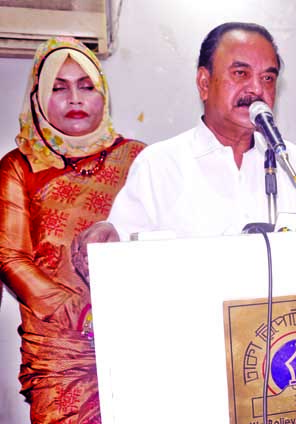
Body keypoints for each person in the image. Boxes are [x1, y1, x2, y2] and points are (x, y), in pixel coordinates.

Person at [71, 23, 296, 280]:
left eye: (268, 78)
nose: (256, 89)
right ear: (203, 82)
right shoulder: (161, 164)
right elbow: (120, 250)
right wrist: (108, 237)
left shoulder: (292, 161)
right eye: (240, 74)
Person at [0, 37, 145, 423]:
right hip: (60, 354)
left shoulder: (140, 160)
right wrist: (74, 311)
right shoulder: (20, 167)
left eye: (86, 85)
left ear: (103, 94)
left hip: (139, 339)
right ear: (38, 97)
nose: (75, 98)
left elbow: (165, 238)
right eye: (58, 88)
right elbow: (10, 255)